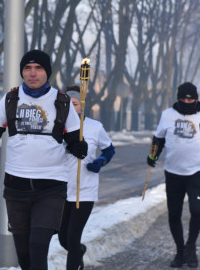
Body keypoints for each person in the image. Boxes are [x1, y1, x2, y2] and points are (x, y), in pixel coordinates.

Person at [0, 49, 88, 270]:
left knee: (38, 245)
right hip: (16, 186)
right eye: (27, 68)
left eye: (38, 68)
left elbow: (74, 140)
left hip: (51, 186)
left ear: (47, 72)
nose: (32, 73)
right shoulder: (11, 99)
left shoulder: (62, 102)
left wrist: (79, 147)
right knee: (24, 255)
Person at [147, 82, 200, 268]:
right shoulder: (167, 115)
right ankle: (179, 251)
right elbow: (158, 138)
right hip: (173, 172)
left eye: (190, 98)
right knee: (174, 213)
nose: (186, 101)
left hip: (197, 172)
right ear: (177, 98)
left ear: (196, 99)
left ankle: (190, 246)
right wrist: (153, 154)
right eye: (183, 98)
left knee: (197, 210)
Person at [58, 87, 115, 270]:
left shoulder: (94, 127)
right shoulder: (56, 127)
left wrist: (101, 161)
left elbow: (109, 149)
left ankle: (74, 262)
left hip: (85, 190)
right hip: (61, 190)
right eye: (66, 104)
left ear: (81, 106)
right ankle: (79, 251)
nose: (70, 108)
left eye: (74, 104)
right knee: (63, 238)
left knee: (73, 237)